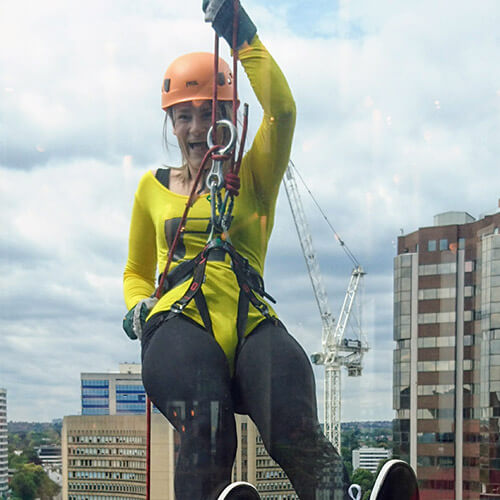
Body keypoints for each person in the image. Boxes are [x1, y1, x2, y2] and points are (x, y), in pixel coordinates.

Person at [123, 1, 420, 499]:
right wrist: (136, 307)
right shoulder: (150, 188)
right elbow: (137, 268)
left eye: (211, 113)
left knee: (296, 426)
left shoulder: (254, 175)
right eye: (185, 116)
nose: (198, 128)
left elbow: (282, 110)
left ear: (230, 117)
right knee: (206, 428)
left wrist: (242, 36)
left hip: (250, 319)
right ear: (171, 122)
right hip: (178, 322)